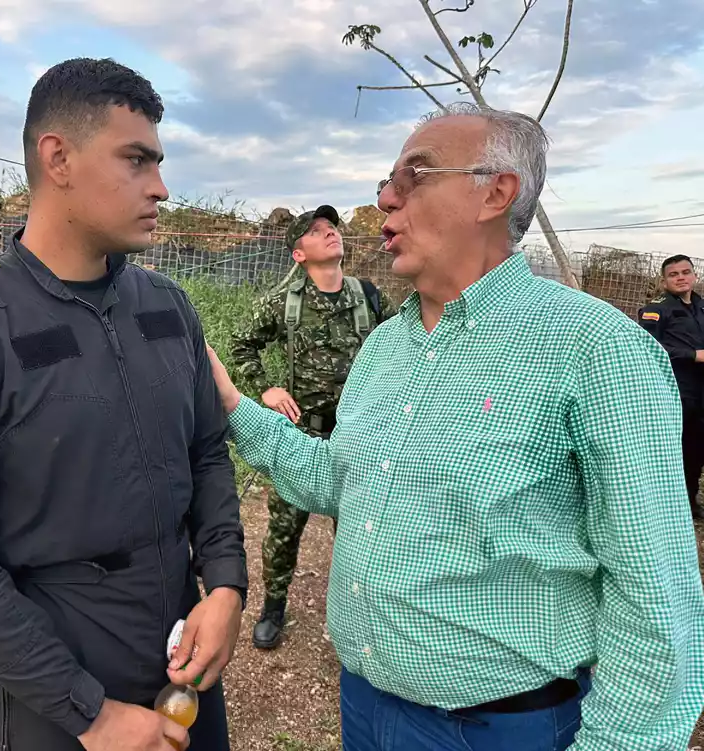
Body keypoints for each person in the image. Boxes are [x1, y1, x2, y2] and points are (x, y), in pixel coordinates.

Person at [205, 102, 704, 750]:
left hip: (500, 728)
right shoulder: (385, 346)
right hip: (364, 705)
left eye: (414, 175)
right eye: (387, 182)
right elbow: (339, 477)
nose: (385, 197)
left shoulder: (596, 350)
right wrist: (229, 404)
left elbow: (656, 606)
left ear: (495, 193)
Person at [0, 58, 247, 751]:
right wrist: (90, 713)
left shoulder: (168, 309)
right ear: (59, 158)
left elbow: (206, 452)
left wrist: (226, 584)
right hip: (55, 700)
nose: (162, 187)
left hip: (183, 674)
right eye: (136, 160)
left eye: (159, 161)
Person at [228, 205, 392, 649]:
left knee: (360, 530)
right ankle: (273, 607)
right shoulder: (286, 301)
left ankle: (360, 612)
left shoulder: (369, 296)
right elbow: (241, 343)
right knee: (283, 530)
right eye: (317, 231)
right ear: (299, 254)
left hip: (357, 438)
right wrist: (265, 388)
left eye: (331, 228)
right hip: (302, 436)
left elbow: (402, 346)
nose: (330, 233)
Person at [638, 255, 704, 518]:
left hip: (701, 390)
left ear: (694, 276)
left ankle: (689, 500)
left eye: (685, 272)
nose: (681, 277)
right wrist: (692, 355)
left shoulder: (701, 307)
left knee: (697, 447)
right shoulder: (657, 309)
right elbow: (648, 347)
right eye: (674, 274)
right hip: (674, 389)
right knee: (675, 448)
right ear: (664, 280)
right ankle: (666, 504)